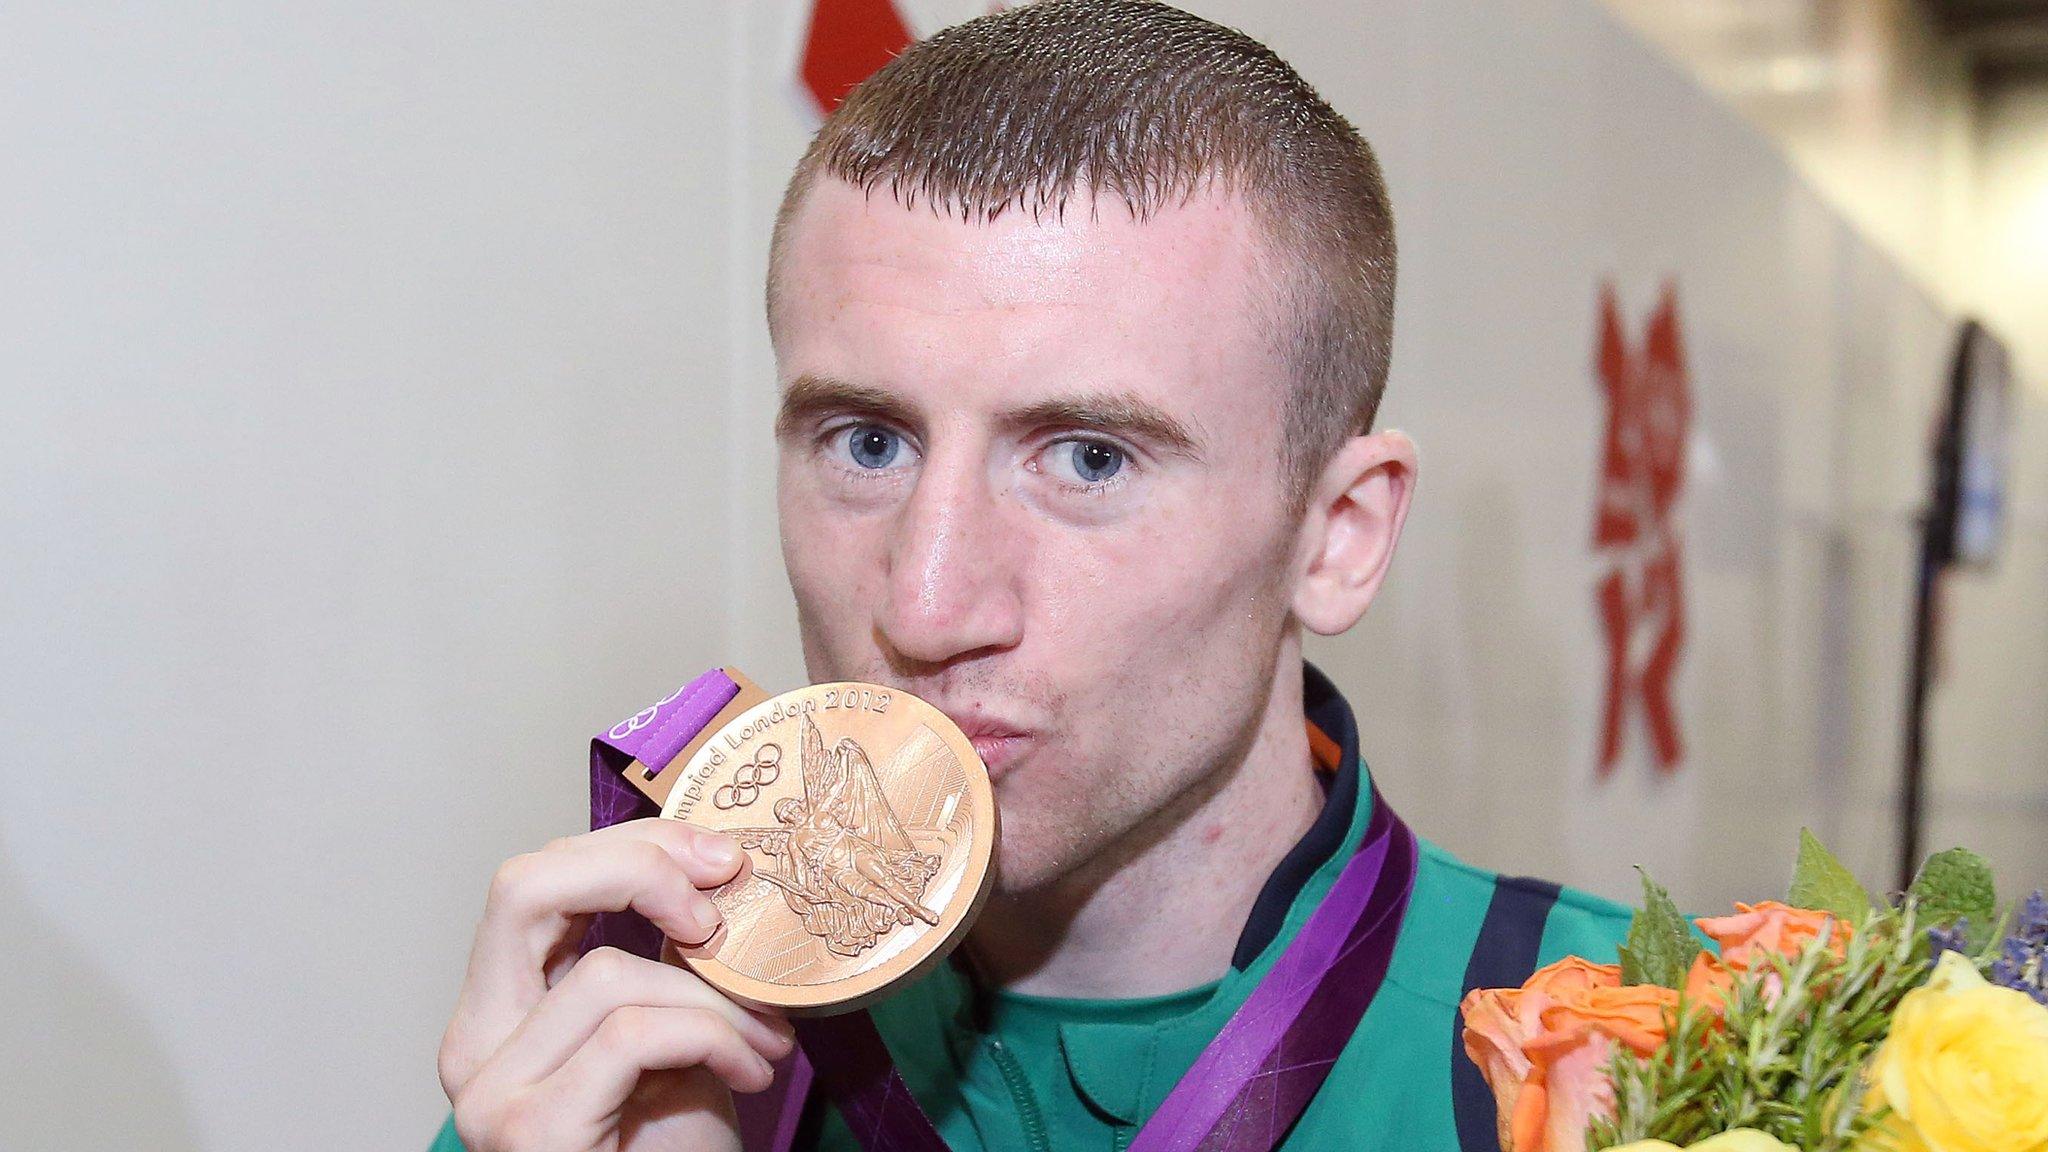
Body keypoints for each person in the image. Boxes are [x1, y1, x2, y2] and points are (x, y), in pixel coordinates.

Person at [432, 3, 1632, 1150]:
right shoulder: (609, 1078)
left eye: (1089, 459)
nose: (924, 606)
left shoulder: (1679, 1061)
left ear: (1336, 536)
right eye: (867, 443)